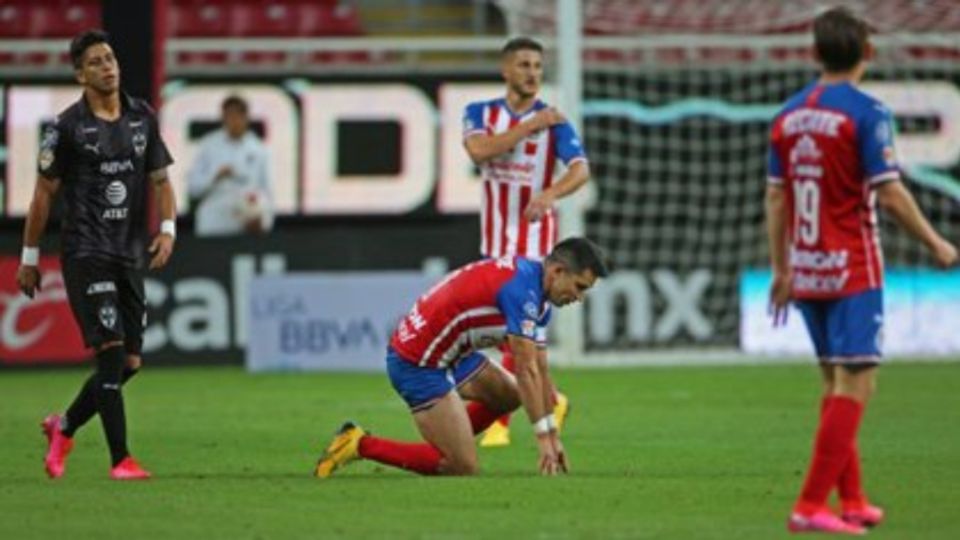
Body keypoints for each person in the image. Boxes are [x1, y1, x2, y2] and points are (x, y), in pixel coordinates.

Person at [766, 7, 958, 534]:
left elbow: (776, 198)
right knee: (857, 386)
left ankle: (851, 499)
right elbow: (890, 192)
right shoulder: (866, 112)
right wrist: (938, 242)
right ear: (867, 53)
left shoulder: (787, 114)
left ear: (814, 53)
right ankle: (809, 505)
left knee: (836, 384)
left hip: (805, 270)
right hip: (852, 267)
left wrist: (781, 268)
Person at [16, 30, 177, 480]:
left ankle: (63, 426)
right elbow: (43, 196)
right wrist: (30, 258)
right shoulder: (65, 128)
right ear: (79, 74)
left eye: (110, 58)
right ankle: (121, 460)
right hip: (85, 251)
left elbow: (162, 182)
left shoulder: (143, 116)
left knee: (129, 363)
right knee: (110, 354)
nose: (108, 66)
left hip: (128, 253)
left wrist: (167, 231)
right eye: (96, 61)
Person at [314, 237, 608, 478]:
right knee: (462, 467)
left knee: (510, 396)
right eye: (579, 287)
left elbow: (539, 369)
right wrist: (543, 439)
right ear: (557, 272)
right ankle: (359, 443)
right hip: (418, 363)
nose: (579, 297)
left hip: (453, 354)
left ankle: (452, 439)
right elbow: (526, 369)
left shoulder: (536, 290)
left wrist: (553, 436)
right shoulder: (522, 293)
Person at [461, 36, 590, 447]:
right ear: (505, 70)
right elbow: (480, 151)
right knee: (502, 333)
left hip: (535, 248)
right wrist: (528, 127)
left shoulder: (555, 123)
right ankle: (551, 401)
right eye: (524, 65)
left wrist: (551, 194)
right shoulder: (479, 113)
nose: (532, 72)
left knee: (519, 332)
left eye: (537, 65)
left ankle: (502, 420)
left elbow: (580, 169)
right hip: (494, 242)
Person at [187, 95, 273, 237]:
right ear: (223, 117)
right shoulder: (208, 146)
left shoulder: (259, 149)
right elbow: (193, 188)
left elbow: (267, 192)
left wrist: (264, 222)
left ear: (246, 117)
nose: (234, 121)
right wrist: (215, 177)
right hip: (213, 224)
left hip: (245, 226)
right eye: (229, 116)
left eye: (238, 115)